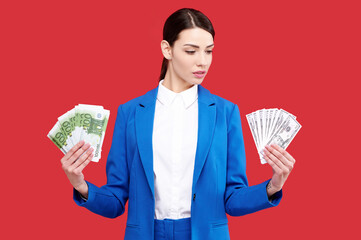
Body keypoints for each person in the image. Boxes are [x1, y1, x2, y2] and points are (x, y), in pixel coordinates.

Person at [60, 8, 296, 240]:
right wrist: (81, 185)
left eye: (209, 51)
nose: (202, 62)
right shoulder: (130, 112)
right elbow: (115, 201)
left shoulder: (225, 112)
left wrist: (272, 187)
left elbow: (233, 199)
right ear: (167, 49)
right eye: (191, 51)